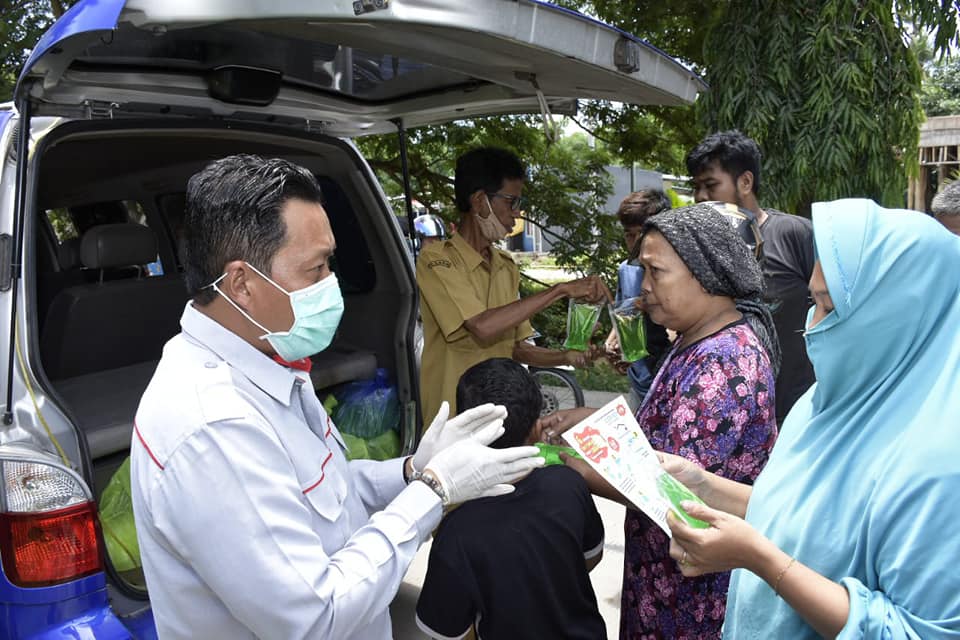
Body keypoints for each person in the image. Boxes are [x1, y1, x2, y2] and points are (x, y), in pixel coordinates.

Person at [130, 155, 545, 640]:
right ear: (242, 283)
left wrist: (410, 470)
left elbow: (328, 493)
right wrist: (432, 492)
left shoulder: (268, 356)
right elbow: (315, 616)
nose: (331, 284)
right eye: (316, 268)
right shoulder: (215, 426)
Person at [664, 199, 960, 639]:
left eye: (827, 305)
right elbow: (805, 512)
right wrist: (705, 486)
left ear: (893, 316)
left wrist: (761, 559)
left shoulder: (939, 464)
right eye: (811, 300)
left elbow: (913, 631)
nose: (811, 325)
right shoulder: (826, 399)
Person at [550, 203, 780, 639]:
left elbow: (667, 489)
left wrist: (563, 461)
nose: (644, 290)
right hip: (664, 576)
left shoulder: (724, 365)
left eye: (656, 273)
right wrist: (590, 418)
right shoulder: (695, 339)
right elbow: (661, 433)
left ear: (704, 272)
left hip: (693, 594)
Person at [416, 358, 606, 640]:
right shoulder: (568, 483)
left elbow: (447, 630)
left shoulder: (458, 529)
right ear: (537, 425)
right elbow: (592, 556)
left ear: (466, 427)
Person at [416, 147, 611, 420]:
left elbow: (517, 348)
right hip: (452, 422)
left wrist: (566, 356)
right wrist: (561, 290)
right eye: (511, 202)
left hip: (499, 420)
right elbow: (482, 327)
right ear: (480, 201)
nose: (517, 214)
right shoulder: (437, 260)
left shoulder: (505, 266)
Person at [687, 130, 814, 424]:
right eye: (696, 187)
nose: (700, 197)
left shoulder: (793, 235)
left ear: (745, 181)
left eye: (710, 185)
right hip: (730, 414)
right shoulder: (701, 249)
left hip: (793, 410)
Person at [603, 190, 673, 407]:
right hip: (639, 382)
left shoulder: (680, 271)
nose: (634, 243)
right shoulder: (626, 269)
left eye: (640, 235)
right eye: (627, 234)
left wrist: (651, 306)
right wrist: (613, 343)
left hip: (670, 382)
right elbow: (623, 312)